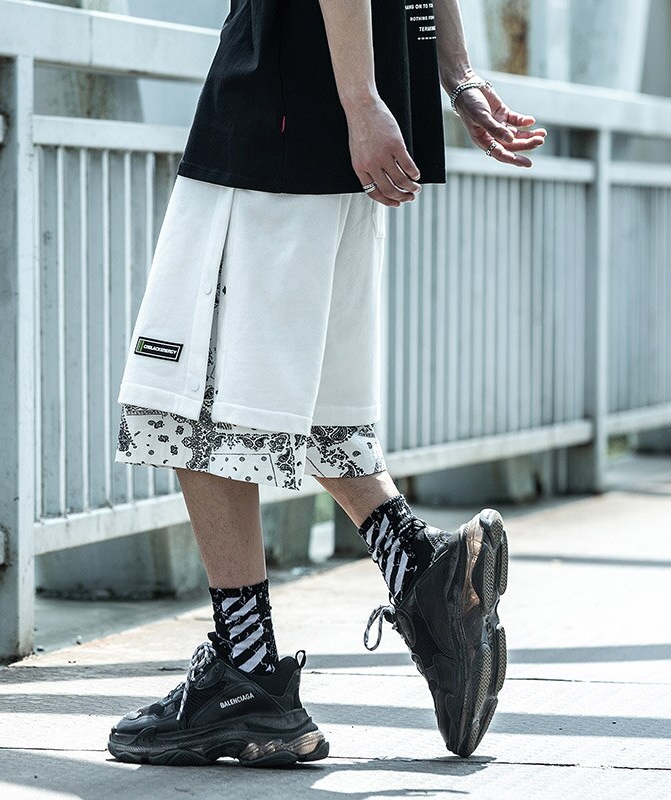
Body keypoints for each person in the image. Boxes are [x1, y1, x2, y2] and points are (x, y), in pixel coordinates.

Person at [108, 0, 546, 766]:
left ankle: (247, 674)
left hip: (292, 98)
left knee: (196, 404)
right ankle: (421, 568)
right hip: (358, 96)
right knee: (312, 408)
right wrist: (454, 76)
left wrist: (359, 101)